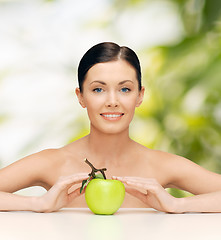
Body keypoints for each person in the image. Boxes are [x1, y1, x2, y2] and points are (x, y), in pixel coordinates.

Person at [1, 42, 221, 213]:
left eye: (125, 89)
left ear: (140, 95)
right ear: (81, 97)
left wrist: (175, 205)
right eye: (98, 90)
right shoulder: (51, 163)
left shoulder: (162, 165)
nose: (112, 101)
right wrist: (38, 203)